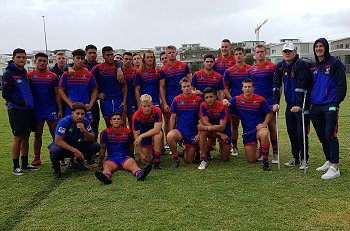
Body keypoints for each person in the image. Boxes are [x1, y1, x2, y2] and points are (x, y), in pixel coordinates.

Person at [311, 38, 347, 180]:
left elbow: (341, 84)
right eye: (317, 46)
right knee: (322, 136)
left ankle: (335, 167)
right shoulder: (313, 66)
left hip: (330, 104)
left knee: (330, 135)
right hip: (316, 105)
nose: (319, 48)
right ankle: (328, 160)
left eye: (321, 46)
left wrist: (336, 102)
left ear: (326, 48)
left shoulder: (335, 63)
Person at [273, 42, 313, 170]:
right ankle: (295, 158)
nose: (287, 53)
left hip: (302, 105)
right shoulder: (280, 66)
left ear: (295, 51)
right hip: (290, 105)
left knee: (301, 133)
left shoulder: (300, 64)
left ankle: (304, 159)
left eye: (290, 51)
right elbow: (276, 85)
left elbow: (301, 86)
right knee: (291, 132)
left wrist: (298, 104)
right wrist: (276, 102)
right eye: (285, 51)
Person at [223, 78, 272, 171]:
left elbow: (269, 113)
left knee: (264, 133)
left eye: (249, 87)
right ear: (242, 88)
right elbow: (227, 103)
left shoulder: (260, 99)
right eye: (245, 87)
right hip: (248, 132)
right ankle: (260, 150)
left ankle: (266, 162)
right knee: (251, 159)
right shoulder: (237, 99)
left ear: (253, 88)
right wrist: (224, 101)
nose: (247, 89)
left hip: (258, 129)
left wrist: (264, 124)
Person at [2, 48, 37, 175]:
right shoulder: (8, 73)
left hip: (28, 110)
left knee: (26, 136)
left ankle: (25, 163)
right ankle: (15, 166)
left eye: (23, 57)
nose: (21, 59)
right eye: (19, 57)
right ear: (13, 58)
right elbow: (5, 93)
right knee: (18, 137)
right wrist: (22, 102)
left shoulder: (24, 73)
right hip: (17, 110)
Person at [92, 112, 152, 184]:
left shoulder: (128, 132)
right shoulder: (105, 132)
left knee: (133, 164)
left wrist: (132, 157)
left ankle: (140, 174)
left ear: (122, 121)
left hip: (125, 158)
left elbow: (130, 146)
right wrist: (99, 163)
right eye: (114, 119)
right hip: (112, 159)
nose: (116, 120)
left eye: (118, 119)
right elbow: (103, 148)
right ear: (111, 121)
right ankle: (106, 178)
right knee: (106, 166)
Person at [28, 52, 63, 166]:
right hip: (37, 108)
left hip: (50, 107)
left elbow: (57, 94)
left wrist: (60, 109)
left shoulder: (52, 76)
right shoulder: (30, 75)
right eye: (40, 60)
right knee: (38, 134)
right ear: (35, 61)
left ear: (47, 62)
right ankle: (37, 158)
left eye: (44, 61)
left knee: (55, 134)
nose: (42, 62)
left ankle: (59, 156)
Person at [48, 102, 100, 178]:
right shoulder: (64, 121)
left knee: (96, 146)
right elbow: (58, 141)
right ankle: (56, 170)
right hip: (61, 145)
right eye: (77, 113)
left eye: (82, 114)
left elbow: (92, 138)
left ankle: (78, 162)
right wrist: (75, 151)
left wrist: (84, 131)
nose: (80, 116)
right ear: (72, 113)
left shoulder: (85, 121)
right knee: (55, 150)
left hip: (74, 144)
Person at [248, 44, 278, 163]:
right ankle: (262, 150)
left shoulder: (272, 67)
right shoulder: (251, 70)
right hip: (257, 103)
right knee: (260, 126)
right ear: (254, 54)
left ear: (265, 53)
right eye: (257, 52)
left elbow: (278, 85)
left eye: (262, 51)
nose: (260, 54)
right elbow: (249, 86)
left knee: (272, 126)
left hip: (270, 101)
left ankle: (275, 153)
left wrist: (276, 100)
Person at [160, 45, 192, 149]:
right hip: (170, 98)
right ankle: (169, 141)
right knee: (169, 120)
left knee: (182, 119)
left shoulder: (184, 66)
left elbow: (190, 81)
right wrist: (164, 102)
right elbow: (162, 87)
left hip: (183, 98)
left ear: (176, 53)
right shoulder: (163, 69)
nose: (171, 54)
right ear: (166, 54)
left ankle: (183, 140)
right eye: (169, 53)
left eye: (173, 52)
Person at [167, 77, 202, 168]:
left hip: (192, 131)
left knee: (188, 161)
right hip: (181, 130)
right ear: (181, 88)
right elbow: (173, 117)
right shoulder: (177, 100)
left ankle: (188, 150)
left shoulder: (198, 100)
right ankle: (175, 158)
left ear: (191, 87)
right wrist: (171, 130)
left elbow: (201, 118)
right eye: (184, 86)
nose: (186, 88)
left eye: (188, 86)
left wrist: (199, 134)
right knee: (170, 136)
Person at [223, 47, 251, 157]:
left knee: (248, 125)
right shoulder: (229, 71)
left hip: (248, 103)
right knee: (234, 126)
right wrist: (231, 99)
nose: (238, 56)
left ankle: (250, 145)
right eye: (236, 54)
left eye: (240, 53)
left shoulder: (250, 69)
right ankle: (234, 147)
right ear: (233, 56)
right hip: (234, 103)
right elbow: (225, 87)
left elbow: (254, 85)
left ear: (244, 55)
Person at [58, 49, 98, 121]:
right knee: (70, 128)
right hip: (71, 107)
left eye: (82, 58)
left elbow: (95, 90)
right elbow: (60, 90)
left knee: (86, 129)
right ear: (73, 59)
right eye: (78, 58)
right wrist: (70, 104)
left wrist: (91, 104)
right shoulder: (66, 74)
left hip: (85, 107)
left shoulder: (89, 74)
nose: (80, 60)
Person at [91, 46, 126, 127]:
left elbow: (124, 86)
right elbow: (89, 84)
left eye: (111, 54)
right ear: (103, 56)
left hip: (118, 100)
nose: (110, 57)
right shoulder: (98, 68)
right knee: (109, 125)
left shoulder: (119, 68)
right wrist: (97, 95)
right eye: (108, 55)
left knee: (122, 124)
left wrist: (124, 101)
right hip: (106, 101)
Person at [197, 87, 231, 170]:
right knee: (202, 132)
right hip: (218, 132)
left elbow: (222, 126)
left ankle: (217, 148)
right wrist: (219, 133)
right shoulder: (203, 105)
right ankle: (203, 159)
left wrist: (205, 127)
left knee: (225, 159)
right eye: (206, 97)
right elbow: (204, 121)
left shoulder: (223, 107)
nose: (209, 99)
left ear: (215, 97)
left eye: (211, 97)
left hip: (224, 131)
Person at [132, 94, 163, 169]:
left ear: (152, 104)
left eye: (149, 106)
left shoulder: (157, 111)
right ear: (141, 105)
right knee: (146, 160)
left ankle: (157, 162)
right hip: (143, 133)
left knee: (158, 135)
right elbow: (136, 136)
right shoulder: (136, 116)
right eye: (144, 106)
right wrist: (141, 153)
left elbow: (157, 129)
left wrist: (141, 136)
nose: (147, 109)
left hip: (154, 132)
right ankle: (152, 151)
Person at [123, 52, 139, 129]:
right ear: (122, 59)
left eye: (130, 59)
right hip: (120, 99)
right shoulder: (119, 71)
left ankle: (133, 139)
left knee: (132, 121)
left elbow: (138, 88)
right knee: (122, 122)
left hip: (132, 100)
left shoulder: (135, 72)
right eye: (126, 59)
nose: (128, 61)